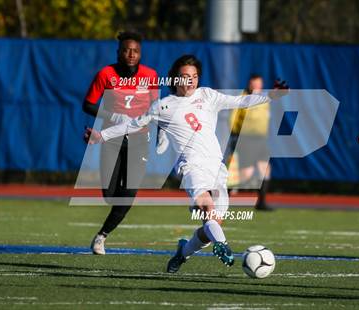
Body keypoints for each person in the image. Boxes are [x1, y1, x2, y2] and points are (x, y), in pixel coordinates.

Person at [85, 55, 284, 272]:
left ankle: (184, 252)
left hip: (217, 168)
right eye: (185, 77)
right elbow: (132, 125)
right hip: (190, 166)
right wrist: (101, 135)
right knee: (206, 207)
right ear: (175, 79)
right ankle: (223, 244)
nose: (190, 81)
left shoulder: (208, 95)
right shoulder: (163, 106)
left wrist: (271, 96)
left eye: (194, 76)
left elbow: (241, 101)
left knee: (211, 226)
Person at [83, 31, 166, 255]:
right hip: (112, 139)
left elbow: (156, 109)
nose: (131, 54)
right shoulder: (106, 74)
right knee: (110, 195)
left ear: (141, 54)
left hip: (139, 140)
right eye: (127, 50)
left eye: (136, 51)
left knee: (128, 195)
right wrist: (114, 117)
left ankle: (101, 236)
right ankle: (117, 202)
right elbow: (88, 105)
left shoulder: (150, 75)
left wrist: (163, 133)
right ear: (118, 52)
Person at [228, 75, 288, 210]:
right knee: (245, 174)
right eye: (254, 84)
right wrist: (234, 135)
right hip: (246, 139)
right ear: (249, 84)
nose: (256, 87)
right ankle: (221, 197)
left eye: (258, 84)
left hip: (261, 139)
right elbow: (233, 118)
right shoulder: (243, 98)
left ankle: (261, 203)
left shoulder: (264, 98)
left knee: (265, 169)